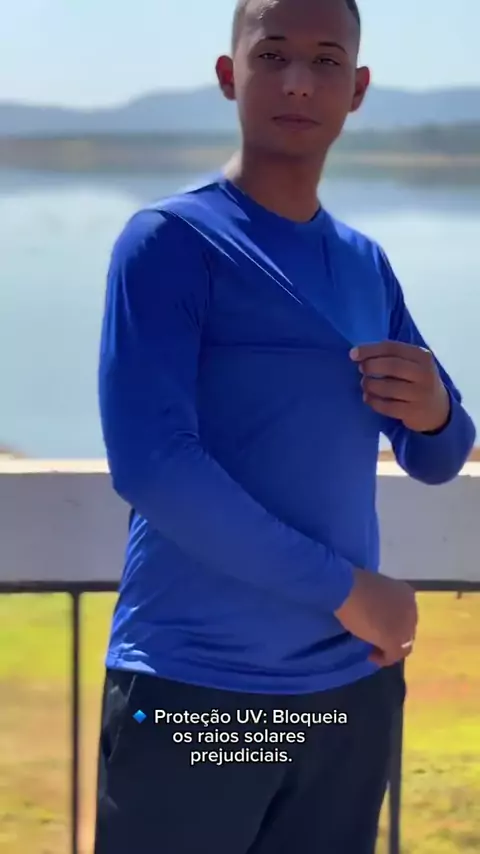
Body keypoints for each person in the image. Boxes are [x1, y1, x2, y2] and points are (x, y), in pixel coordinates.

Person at [94, 0, 476, 852]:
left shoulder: (365, 263)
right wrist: (351, 591)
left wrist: (438, 410)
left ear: (358, 90)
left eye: (326, 61)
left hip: (348, 690)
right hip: (197, 690)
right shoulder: (169, 241)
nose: (299, 82)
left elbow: (440, 453)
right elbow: (153, 465)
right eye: (272, 56)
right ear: (228, 75)